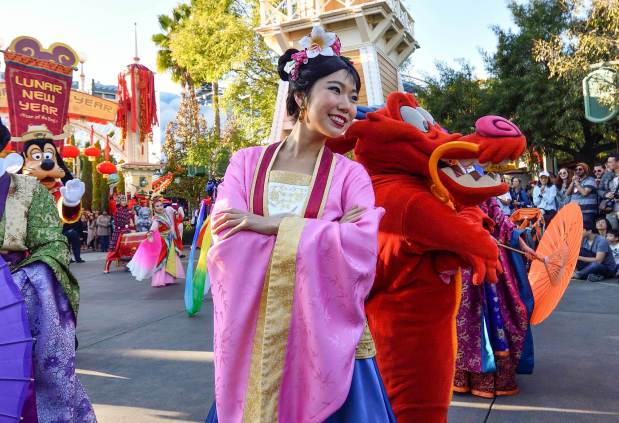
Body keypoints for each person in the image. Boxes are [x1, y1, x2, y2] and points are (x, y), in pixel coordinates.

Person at [203, 26, 394, 422]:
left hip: (327, 343)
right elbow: (226, 238)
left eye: (354, 96)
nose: (347, 105)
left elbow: (360, 249)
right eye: (336, 90)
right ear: (300, 96)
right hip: (256, 343)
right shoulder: (245, 162)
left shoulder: (350, 175)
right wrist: (325, 233)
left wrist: (266, 225)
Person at [0, 118, 97, 421]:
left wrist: (22, 282)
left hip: (13, 297)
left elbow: (53, 243)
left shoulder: (27, 189)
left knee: (25, 377)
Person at [128, 197, 185, 287]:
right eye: (157, 206)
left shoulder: (166, 214)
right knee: (162, 260)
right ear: (154, 208)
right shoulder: (156, 218)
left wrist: (176, 213)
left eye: (161, 205)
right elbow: (153, 229)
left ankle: (168, 278)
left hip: (170, 240)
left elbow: (173, 213)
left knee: (169, 259)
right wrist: (150, 235)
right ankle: (160, 280)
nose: (160, 207)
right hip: (163, 241)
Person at [568, 163, 597, 227]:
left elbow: (584, 193)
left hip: (587, 212)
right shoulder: (576, 181)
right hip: (575, 211)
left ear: (585, 170)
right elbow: (567, 193)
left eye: (580, 169)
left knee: (586, 231)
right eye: (576, 170)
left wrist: (576, 182)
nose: (578, 171)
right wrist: (572, 182)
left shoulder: (590, 180)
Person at [599, 153, 619, 230]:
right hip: (610, 208)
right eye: (608, 162)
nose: (608, 164)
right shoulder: (606, 175)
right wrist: (605, 194)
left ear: (617, 162)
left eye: (610, 162)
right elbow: (599, 189)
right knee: (612, 232)